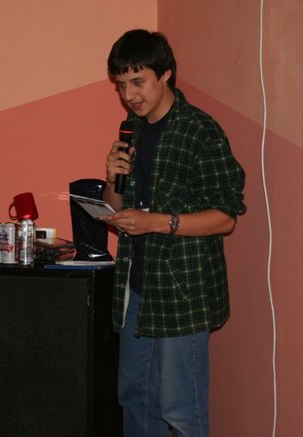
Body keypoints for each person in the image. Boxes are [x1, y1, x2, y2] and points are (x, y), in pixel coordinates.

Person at [100, 29, 246, 437]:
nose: (129, 95)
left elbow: (226, 217)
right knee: (135, 398)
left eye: (137, 81)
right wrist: (111, 178)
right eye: (121, 85)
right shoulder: (131, 129)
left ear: (165, 73)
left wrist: (157, 222)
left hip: (182, 291)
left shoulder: (200, 131)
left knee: (180, 409)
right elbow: (115, 207)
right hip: (137, 286)